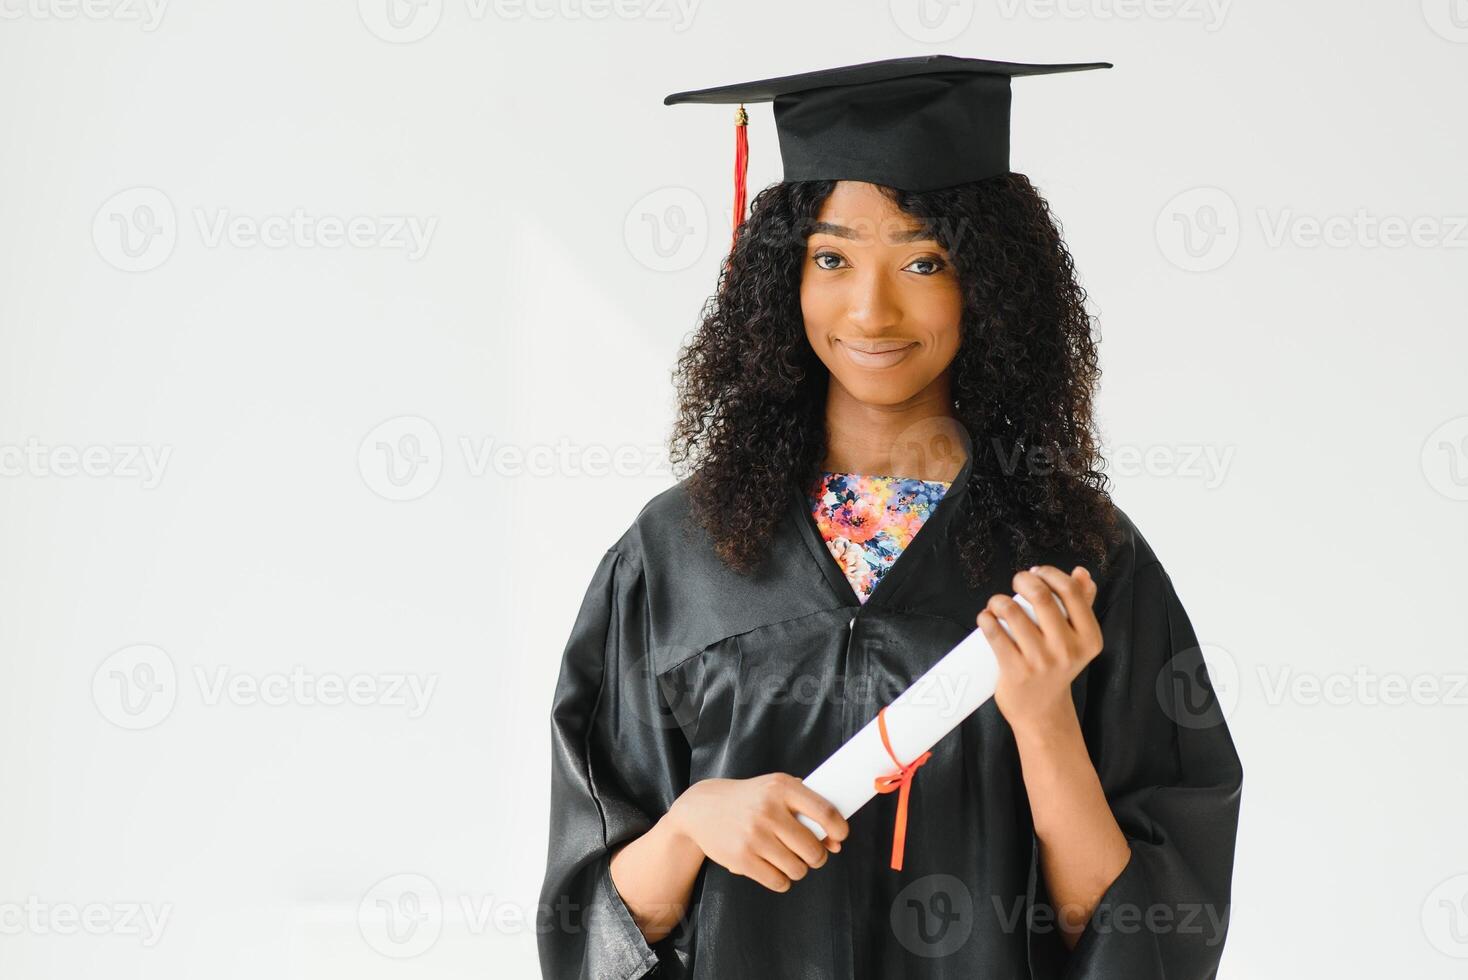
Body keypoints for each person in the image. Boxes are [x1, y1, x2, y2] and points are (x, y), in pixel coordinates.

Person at [537, 55, 1243, 979]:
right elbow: (585, 925)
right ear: (781, 277)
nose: (871, 310)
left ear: (989, 280)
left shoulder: (1080, 561)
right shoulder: (676, 558)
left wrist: (1044, 723)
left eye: (923, 260)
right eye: (832, 258)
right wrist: (690, 827)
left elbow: (1155, 938)